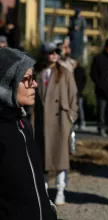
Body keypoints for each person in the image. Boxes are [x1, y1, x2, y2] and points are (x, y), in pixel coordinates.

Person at [0, 48, 57, 220]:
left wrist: (49, 209)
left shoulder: (23, 122)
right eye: (26, 79)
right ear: (6, 85)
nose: (35, 84)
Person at [33, 42, 78, 206]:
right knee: (41, 157)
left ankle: (60, 190)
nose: (54, 55)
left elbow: (73, 95)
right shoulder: (37, 72)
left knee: (60, 158)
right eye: (50, 52)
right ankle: (43, 190)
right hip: (40, 121)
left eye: (56, 52)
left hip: (60, 120)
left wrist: (71, 116)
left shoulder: (65, 73)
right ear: (44, 53)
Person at [73, 59, 87, 130]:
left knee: (80, 108)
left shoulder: (80, 70)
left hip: (79, 91)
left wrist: (80, 88)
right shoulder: (70, 70)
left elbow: (84, 80)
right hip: (72, 92)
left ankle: (82, 122)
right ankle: (75, 122)